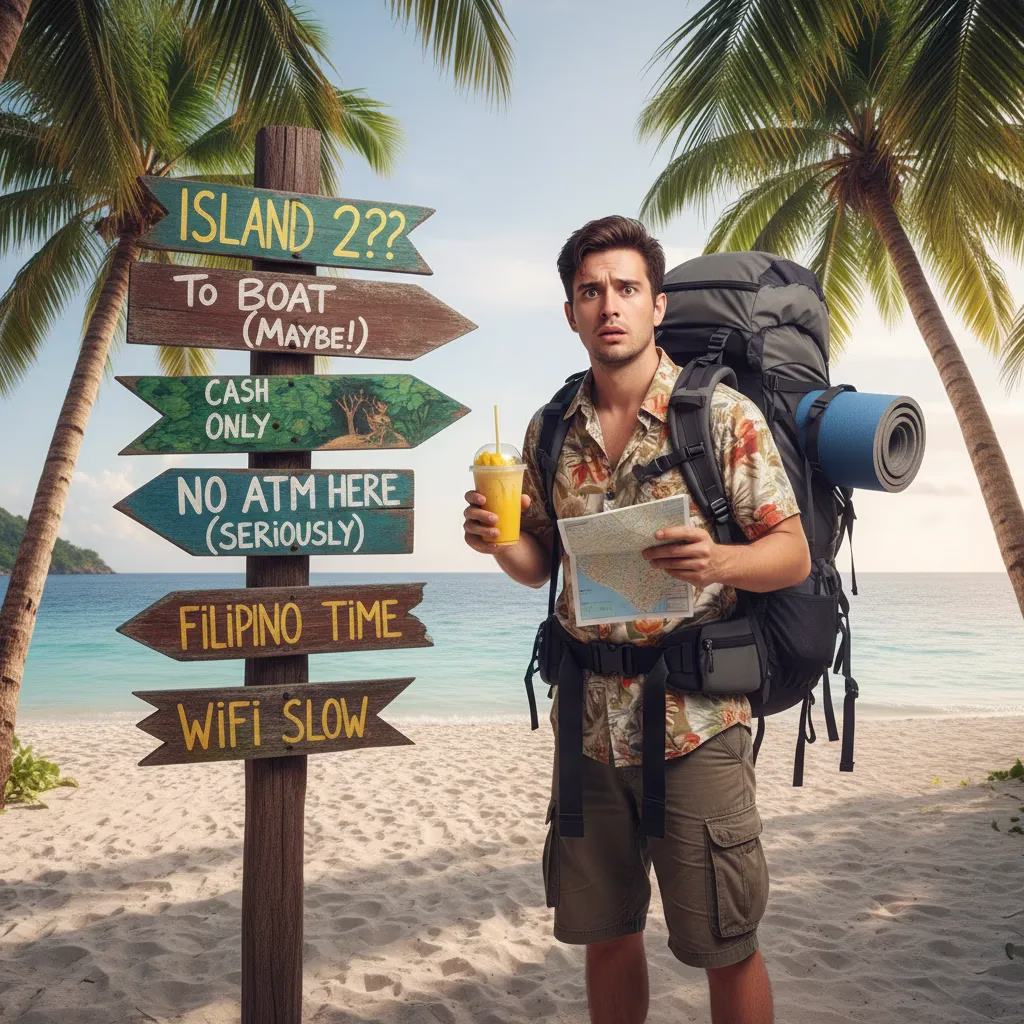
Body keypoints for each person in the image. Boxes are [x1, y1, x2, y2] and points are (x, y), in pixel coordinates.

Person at [462, 215, 810, 1024]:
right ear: (571, 313)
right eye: (591, 292)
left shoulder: (720, 417)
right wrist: (498, 541)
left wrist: (717, 561)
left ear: (656, 305)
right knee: (607, 934)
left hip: (696, 723)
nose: (608, 305)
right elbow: (541, 566)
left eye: (625, 288)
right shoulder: (551, 428)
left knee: (725, 943)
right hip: (586, 724)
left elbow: (790, 553)